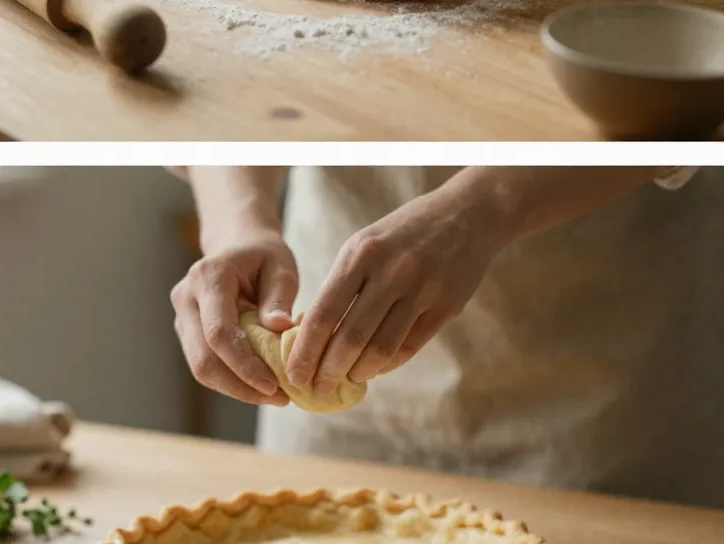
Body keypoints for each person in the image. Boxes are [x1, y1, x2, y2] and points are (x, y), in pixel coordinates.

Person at [171, 166, 724, 508]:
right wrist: (236, 226)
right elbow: (245, 59)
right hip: (327, 333)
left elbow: (687, 79)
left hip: (608, 380)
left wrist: (485, 207)